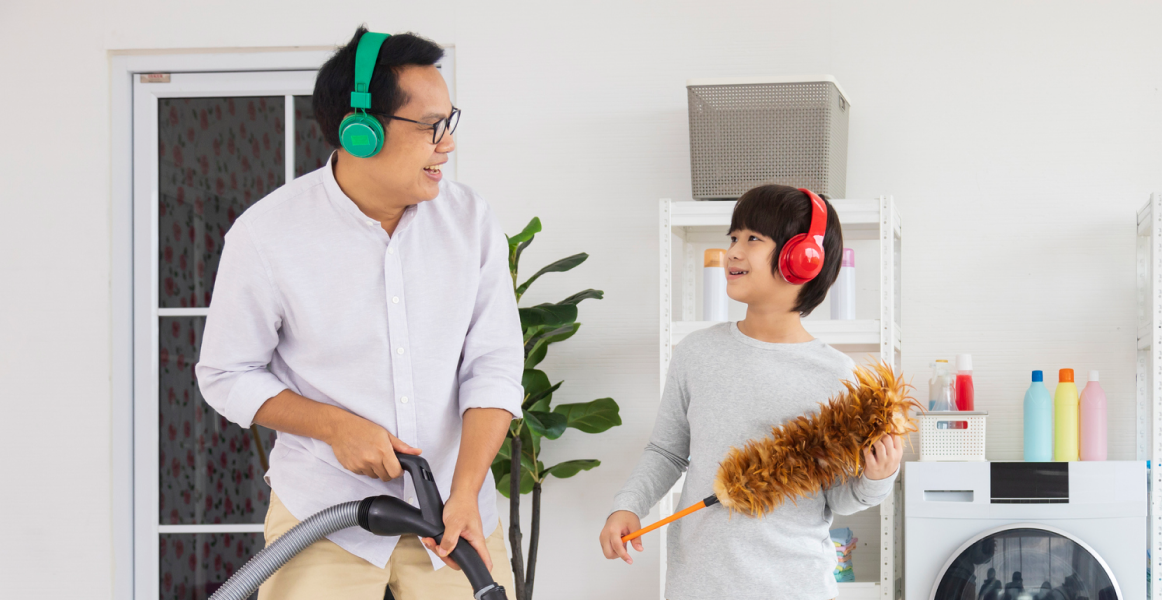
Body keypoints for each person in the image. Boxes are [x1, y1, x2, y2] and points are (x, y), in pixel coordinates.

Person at [195, 26, 522, 600]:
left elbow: (494, 366)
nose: (447, 144)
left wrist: (466, 489)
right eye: (430, 127)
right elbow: (226, 373)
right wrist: (333, 426)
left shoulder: (470, 222)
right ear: (361, 132)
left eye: (450, 122)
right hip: (324, 517)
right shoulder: (268, 236)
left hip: (456, 515)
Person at [598, 185, 903, 599]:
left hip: (794, 586)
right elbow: (667, 451)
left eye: (753, 239)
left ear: (802, 259)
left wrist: (877, 477)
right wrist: (628, 504)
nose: (734, 251)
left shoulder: (837, 376)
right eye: (733, 237)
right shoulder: (696, 353)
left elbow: (839, 498)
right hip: (700, 585)